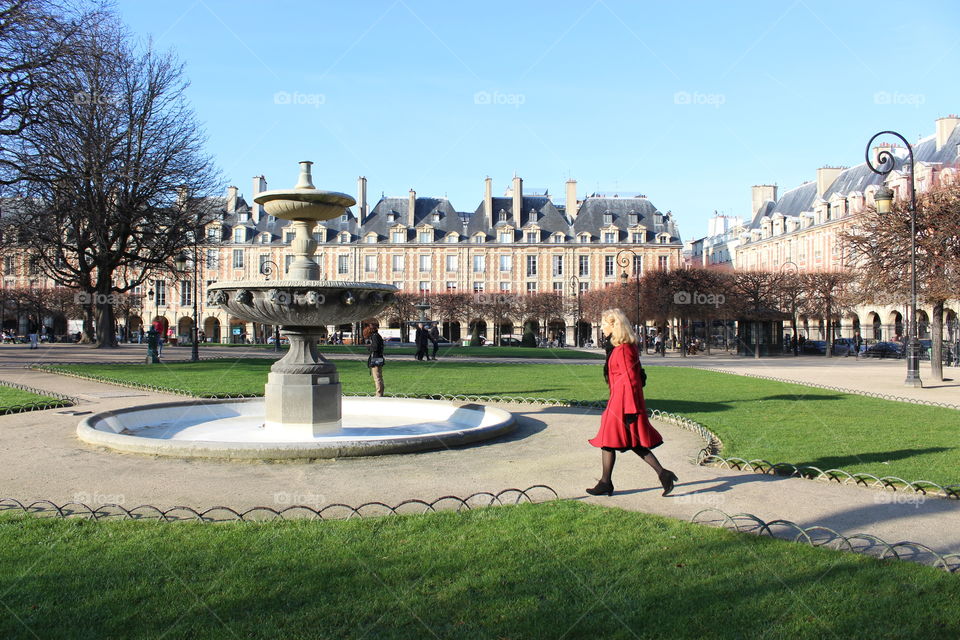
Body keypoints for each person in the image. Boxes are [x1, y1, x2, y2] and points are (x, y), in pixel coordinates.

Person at [587, 308, 677, 497]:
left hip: (623, 403)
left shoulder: (624, 348)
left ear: (614, 326)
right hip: (618, 399)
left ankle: (606, 482)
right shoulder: (617, 347)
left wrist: (630, 410)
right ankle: (662, 474)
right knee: (628, 441)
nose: (602, 328)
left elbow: (632, 380)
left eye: (604, 324)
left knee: (610, 440)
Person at [364, 322, 385, 397]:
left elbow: (375, 347)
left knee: (377, 377)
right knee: (379, 377)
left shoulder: (374, 336)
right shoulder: (377, 336)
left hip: (376, 358)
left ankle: (379, 393)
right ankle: (379, 392)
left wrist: (369, 347)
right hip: (378, 357)